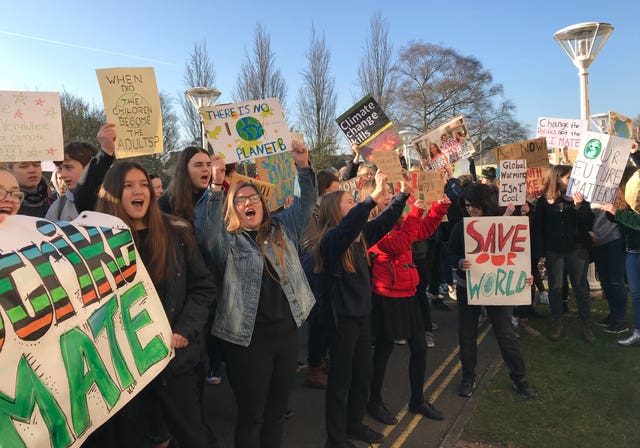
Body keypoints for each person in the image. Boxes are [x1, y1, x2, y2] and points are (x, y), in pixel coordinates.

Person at [195, 140, 316, 448]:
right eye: (240, 199)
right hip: (247, 342)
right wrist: (217, 186)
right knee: (252, 417)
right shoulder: (229, 241)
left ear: (263, 205)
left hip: (286, 336)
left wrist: (303, 167)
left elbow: (304, 205)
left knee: (276, 413)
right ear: (232, 208)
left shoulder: (281, 230)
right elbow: (207, 233)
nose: (248, 202)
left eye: (253, 198)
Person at [313, 171, 409, 448]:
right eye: (349, 203)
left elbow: (384, 222)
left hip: (362, 315)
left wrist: (401, 196)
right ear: (335, 211)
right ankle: (335, 438)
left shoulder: (360, 235)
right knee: (340, 381)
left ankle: (354, 424)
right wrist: (371, 198)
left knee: (362, 374)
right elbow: (348, 228)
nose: (354, 206)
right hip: (341, 319)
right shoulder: (331, 240)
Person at [366, 182, 450, 426]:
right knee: (384, 350)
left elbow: (421, 231)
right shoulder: (372, 229)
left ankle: (417, 399)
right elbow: (398, 245)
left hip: (407, 293)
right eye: (385, 196)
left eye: (391, 195)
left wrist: (438, 208)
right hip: (386, 297)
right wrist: (415, 213)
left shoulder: (398, 222)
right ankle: (374, 401)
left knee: (420, 348)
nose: (390, 198)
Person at [447, 183, 536, 399]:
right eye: (468, 205)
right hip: (468, 287)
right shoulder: (461, 227)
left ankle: (519, 378)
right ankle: (468, 377)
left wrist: (525, 276)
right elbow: (448, 253)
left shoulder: (505, 225)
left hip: (498, 289)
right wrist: (459, 262)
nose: (471, 209)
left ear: (486, 204)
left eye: (475, 205)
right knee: (467, 334)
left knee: (506, 334)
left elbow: (518, 256)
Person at [532, 165, 595, 343]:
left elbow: (589, 221)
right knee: (555, 288)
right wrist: (541, 252)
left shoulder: (579, 197)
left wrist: (579, 206)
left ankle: (586, 324)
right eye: (568, 178)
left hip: (577, 249)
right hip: (554, 251)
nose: (572, 180)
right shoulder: (544, 201)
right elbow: (539, 228)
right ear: (557, 179)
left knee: (581, 287)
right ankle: (557, 323)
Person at [302, 169, 340, 389]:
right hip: (315, 272)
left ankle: (321, 359)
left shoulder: (330, 213)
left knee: (327, 321)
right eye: (332, 192)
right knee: (318, 322)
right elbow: (310, 245)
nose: (336, 197)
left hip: (328, 272)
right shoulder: (311, 214)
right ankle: (314, 368)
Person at [46, 141, 98, 221]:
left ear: (89, 167)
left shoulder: (112, 201)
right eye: (61, 168)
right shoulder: (58, 207)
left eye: (69, 167)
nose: (63, 175)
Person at [159, 146, 212, 224]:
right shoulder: (166, 202)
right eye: (198, 165)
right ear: (185, 170)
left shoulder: (214, 198)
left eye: (208, 164)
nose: (205, 169)